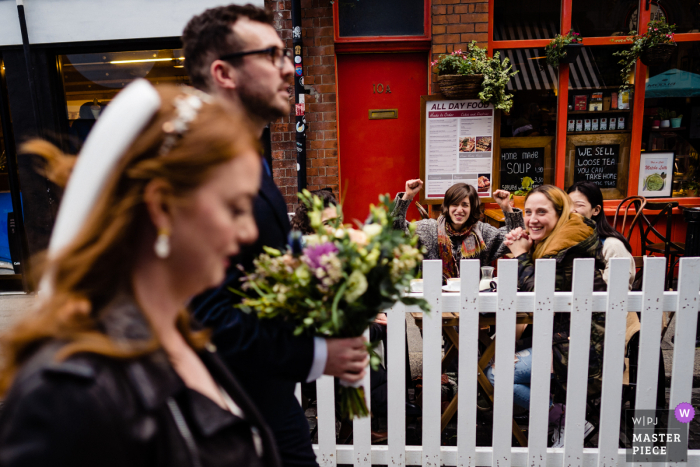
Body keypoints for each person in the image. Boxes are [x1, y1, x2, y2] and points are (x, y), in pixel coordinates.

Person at [0, 81, 280, 466]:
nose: (249, 231)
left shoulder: (183, 333)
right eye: (234, 208)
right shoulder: (69, 395)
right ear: (162, 206)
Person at [182, 6, 367, 467]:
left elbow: (257, 266)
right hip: (226, 405)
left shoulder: (247, 156)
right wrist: (316, 355)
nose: (290, 67)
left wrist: (331, 269)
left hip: (264, 395)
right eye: (272, 55)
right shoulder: (203, 168)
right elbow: (206, 317)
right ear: (223, 72)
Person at [503, 185, 606, 447]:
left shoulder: (567, 249)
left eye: (541, 211)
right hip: (565, 336)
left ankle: (565, 419)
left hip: (579, 346)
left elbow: (541, 296)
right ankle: (561, 415)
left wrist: (521, 255)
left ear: (560, 214)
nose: (532, 218)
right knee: (498, 358)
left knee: (498, 373)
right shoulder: (559, 239)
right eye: (528, 212)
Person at [393, 179, 523, 281]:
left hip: (471, 301)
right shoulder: (428, 229)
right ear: (447, 207)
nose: (459, 210)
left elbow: (517, 237)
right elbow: (395, 230)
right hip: (432, 300)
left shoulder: (483, 233)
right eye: (455, 204)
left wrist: (506, 207)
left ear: (472, 208)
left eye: (465, 205)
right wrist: (407, 196)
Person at [567, 181, 635, 288]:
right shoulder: (562, 241)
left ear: (596, 210)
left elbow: (615, 292)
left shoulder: (612, 246)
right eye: (568, 205)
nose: (572, 210)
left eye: (579, 205)